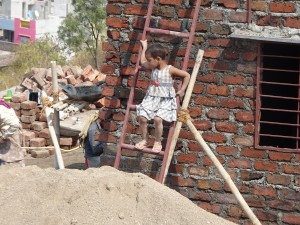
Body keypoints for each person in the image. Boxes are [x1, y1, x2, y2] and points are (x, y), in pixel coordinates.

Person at [135, 40, 190, 153]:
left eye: (150, 60)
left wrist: (182, 90)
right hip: (152, 97)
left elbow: (186, 75)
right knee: (142, 117)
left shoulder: (170, 69)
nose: (148, 63)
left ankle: (157, 141)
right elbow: (143, 61)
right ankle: (144, 139)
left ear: (158, 59)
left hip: (165, 99)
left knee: (158, 119)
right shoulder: (153, 67)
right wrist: (145, 46)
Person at [0, 100, 25, 166]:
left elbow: (14, 123)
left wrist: (3, 137)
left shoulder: (1, 112)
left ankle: (20, 170)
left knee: (16, 155)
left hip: (11, 129)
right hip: (6, 127)